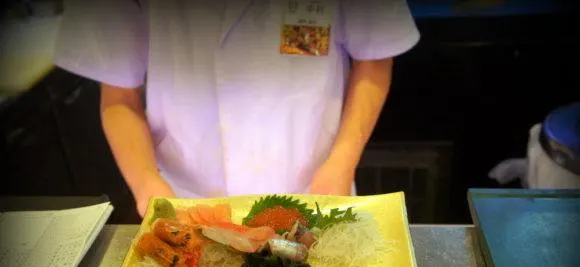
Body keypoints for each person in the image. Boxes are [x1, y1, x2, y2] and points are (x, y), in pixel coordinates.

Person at [54, 0, 420, 217]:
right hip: (188, 202)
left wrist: (341, 163)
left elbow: (374, 58)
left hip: (316, 191)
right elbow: (118, 96)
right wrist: (148, 186)